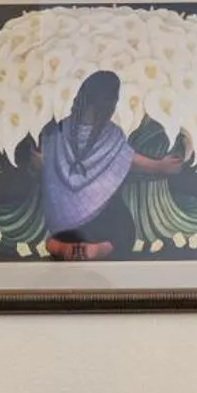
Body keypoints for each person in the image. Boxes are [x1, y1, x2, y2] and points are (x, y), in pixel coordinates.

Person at [37, 71, 182, 260]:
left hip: (65, 224)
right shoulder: (111, 133)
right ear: (110, 105)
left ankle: (60, 245)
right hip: (102, 223)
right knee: (123, 228)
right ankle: (98, 249)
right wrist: (159, 166)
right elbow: (130, 159)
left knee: (62, 232)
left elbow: (42, 160)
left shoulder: (57, 130)